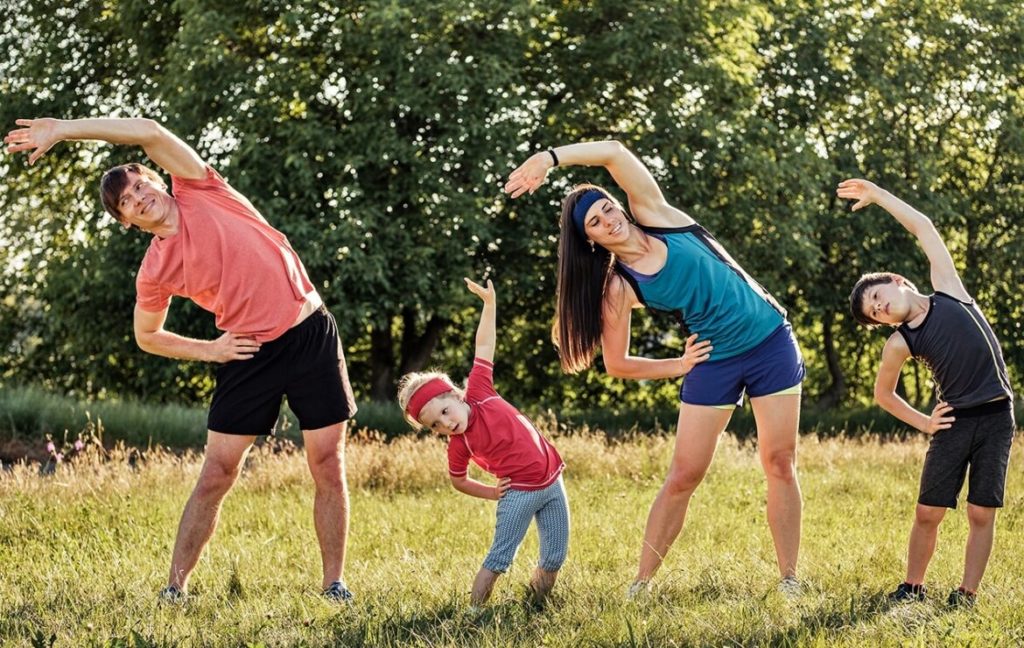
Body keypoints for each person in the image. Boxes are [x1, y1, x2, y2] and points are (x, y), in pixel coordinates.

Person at [5, 117, 358, 603]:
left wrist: (65, 129)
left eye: (138, 184)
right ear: (127, 221)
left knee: (326, 462)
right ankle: (175, 588)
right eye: (125, 201)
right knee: (217, 472)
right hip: (246, 352)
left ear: (154, 178)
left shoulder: (200, 187)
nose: (137, 196)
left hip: (309, 333)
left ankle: (334, 584)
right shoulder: (154, 269)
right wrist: (211, 351)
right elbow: (147, 335)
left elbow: (147, 130)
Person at [505, 141, 806, 597]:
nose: (610, 220)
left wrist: (548, 159)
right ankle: (641, 585)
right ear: (590, 239)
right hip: (714, 361)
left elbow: (613, 152)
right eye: (596, 222)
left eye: (607, 208)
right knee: (684, 475)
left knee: (779, 462)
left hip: (770, 341)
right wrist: (679, 365)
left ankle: (789, 580)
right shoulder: (619, 286)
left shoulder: (657, 214)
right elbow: (617, 363)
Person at [842, 178, 1014, 608]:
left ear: (898, 281)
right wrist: (924, 422)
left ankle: (967, 594)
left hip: (996, 417)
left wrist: (879, 195)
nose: (880, 309)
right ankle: (912, 587)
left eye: (879, 297)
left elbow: (923, 227)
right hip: (953, 423)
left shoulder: (949, 290)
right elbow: (884, 394)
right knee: (928, 512)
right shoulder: (901, 342)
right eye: (875, 313)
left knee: (981, 512)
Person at [397, 278, 569, 607]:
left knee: (554, 556)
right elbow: (457, 480)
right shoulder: (459, 446)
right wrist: (491, 492)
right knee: (499, 559)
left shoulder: (480, 391)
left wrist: (489, 305)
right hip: (519, 493)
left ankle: (537, 603)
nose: (446, 423)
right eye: (435, 425)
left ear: (456, 395)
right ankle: (474, 613)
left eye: (445, 411)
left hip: (553, 481)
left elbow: (484, 345)